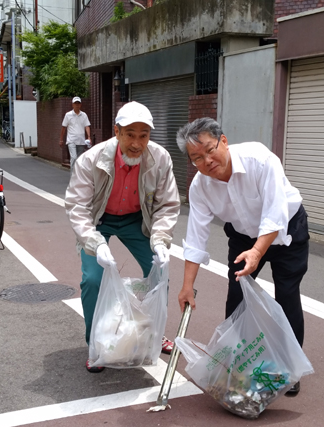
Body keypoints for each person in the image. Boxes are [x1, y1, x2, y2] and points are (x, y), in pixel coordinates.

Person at [175, 117, 309, 396]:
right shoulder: (200, 187)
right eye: (197, 158)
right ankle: (236, 362)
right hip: (242, 236)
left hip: (286, 229)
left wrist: (258, 252)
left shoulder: (260, 160)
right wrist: (187, 286)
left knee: (287, 294)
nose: (207, 161)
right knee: (237, 296)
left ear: (223, 141)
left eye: (210, 150)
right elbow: (196, 237)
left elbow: (275, 213)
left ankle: (290, 369)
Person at [65, 101, 180, 372]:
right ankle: (96, 344)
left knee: (160, 271)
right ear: (117, 132)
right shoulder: (91, 160)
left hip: (137, 220)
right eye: (130, 134)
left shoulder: (160, 158)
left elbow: (167, 204)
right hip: (99, 221)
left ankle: (152, 333)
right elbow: (77, 207)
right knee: (93, 279)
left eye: (144, 135)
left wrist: (161, 239)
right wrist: (93, 242)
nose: (137, 143)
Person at [60, 96, 92, 169]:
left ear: (80, 105)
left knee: (79, 160)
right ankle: (72, 177)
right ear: (72, 105)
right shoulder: (68, 115)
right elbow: (63, 127)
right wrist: (61, 139)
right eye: (75, 103)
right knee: (74, 157)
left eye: (78, 103)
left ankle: (78, 177)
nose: (77, 105)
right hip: (71, 140)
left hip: (81, 140)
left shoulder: (84, 115)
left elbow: (87, 126)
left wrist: (89, 137)